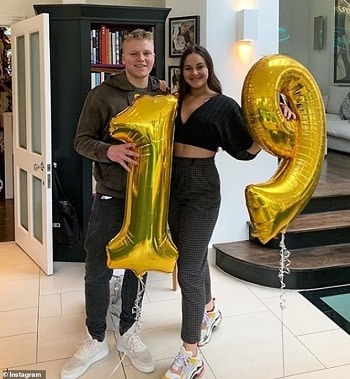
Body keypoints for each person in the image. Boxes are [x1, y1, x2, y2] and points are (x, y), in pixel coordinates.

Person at [162, 45, 296, 379]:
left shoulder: (223, 105)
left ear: (209, 69)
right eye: (189, 67)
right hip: (170, 184)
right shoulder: (172, 101)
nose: (194, 73)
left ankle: (190, 354)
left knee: (189, 268)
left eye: (200, 67)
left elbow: (243, 149)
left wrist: (272, 128)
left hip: (202, 187)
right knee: (188, 257)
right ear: (181, 71)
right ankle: (208, 310)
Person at [60, 29, 168, 379]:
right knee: (98, 265)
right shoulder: (101, 94)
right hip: (111, 195)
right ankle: (95, 337)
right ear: (123, 57)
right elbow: (80, 141)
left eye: (147, 53)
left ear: (154, 55)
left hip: (151, 200)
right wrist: (110, 150)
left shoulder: (164, 93)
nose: (142, 59)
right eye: (134, 53)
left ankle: (129, 331)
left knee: (139, 264)